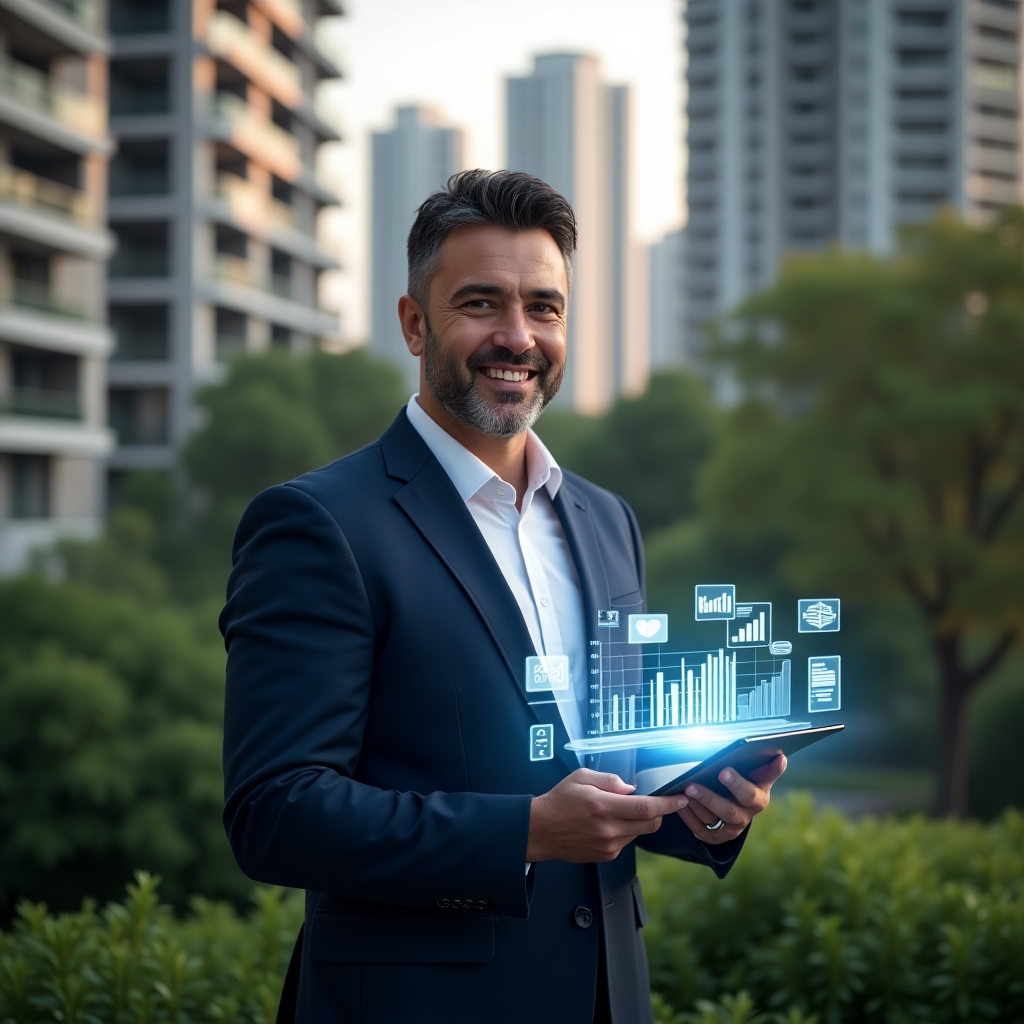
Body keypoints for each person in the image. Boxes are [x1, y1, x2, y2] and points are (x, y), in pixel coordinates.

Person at [220, 169, 786, 1024]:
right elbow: (276, 812)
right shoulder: (317, 525)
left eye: (545, 307)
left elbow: (608, 763)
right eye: (480, 304)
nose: (517, 337)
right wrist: (520, 830)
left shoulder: (606, 520)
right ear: (415, 324)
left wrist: (700, 810)